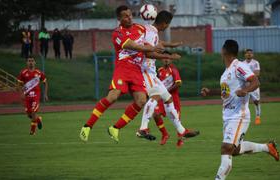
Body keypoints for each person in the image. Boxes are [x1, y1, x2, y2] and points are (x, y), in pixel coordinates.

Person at [79, 5, 168, 143]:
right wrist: (152, 47)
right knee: (113, 97)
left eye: (130, 14)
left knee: (141, 101)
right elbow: (133, 46)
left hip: (137, 70)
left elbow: (151, 40)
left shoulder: (139, 28)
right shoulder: (117, 33)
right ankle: (87, 126)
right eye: (125, 16)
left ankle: (115, 128)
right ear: (119, 18)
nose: (129, 17)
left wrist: (167, 46)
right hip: (123, 69)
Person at [200, 40, 279, 180]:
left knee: (226, 148)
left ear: (224, 50)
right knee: (234, 150)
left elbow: (255, 81)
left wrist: (245, 90)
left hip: (239, 116)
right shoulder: (226, 73)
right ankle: (267, 147)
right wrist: (210, 91)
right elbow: (226, 92)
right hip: (227, 116)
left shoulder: (239, 66)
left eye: (221, 49)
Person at [137, 11, 199, 147]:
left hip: (150, 71)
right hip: (145, 70)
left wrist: (171, 45)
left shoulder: (150, 30)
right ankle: (142, 128)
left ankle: (181, 130)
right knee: (155, 96)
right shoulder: (152, 31)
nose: (167, 27)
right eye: (168, 24)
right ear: (165, 23)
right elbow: (149, 52)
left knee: (168, 99)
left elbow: (157, 44)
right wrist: (170, 57)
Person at [152, 56, 183, 145]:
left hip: (173, 98)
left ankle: (180, 139)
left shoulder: (174, 70)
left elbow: (178, 83)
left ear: (171, 59)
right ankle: (165, 134)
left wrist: (165, 91)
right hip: (162, 98)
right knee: (156, 114)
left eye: (168, 58)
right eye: (164, 58)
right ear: (161, 60)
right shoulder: (159, 70)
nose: (166, 60)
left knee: (176, 118)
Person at [17, 56, 48, 135]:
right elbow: (19, 84)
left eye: (32, 61)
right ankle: (38, 119)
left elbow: (45, 83)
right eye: (29, 61)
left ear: (35, 62)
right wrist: (21, 94)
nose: (30, 62)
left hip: (36, 96)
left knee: (33, 112)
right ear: (27, 63)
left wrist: (45, 94)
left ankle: (32, 131)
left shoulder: (39, 73)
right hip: (27, 96)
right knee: (29, 115)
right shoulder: (23, 73)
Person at [242, 49, 261, 125]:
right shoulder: (242, 64)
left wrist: (247, 76)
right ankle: (243, 117)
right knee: (243, 102)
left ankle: (258, 117)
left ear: (252, 55)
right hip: (245, 85)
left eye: (250, 53)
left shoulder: (255, 63)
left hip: (254, 85)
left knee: (256, 101)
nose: (249, 54)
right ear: (245, 55)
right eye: (247, 53)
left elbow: (257, 73)